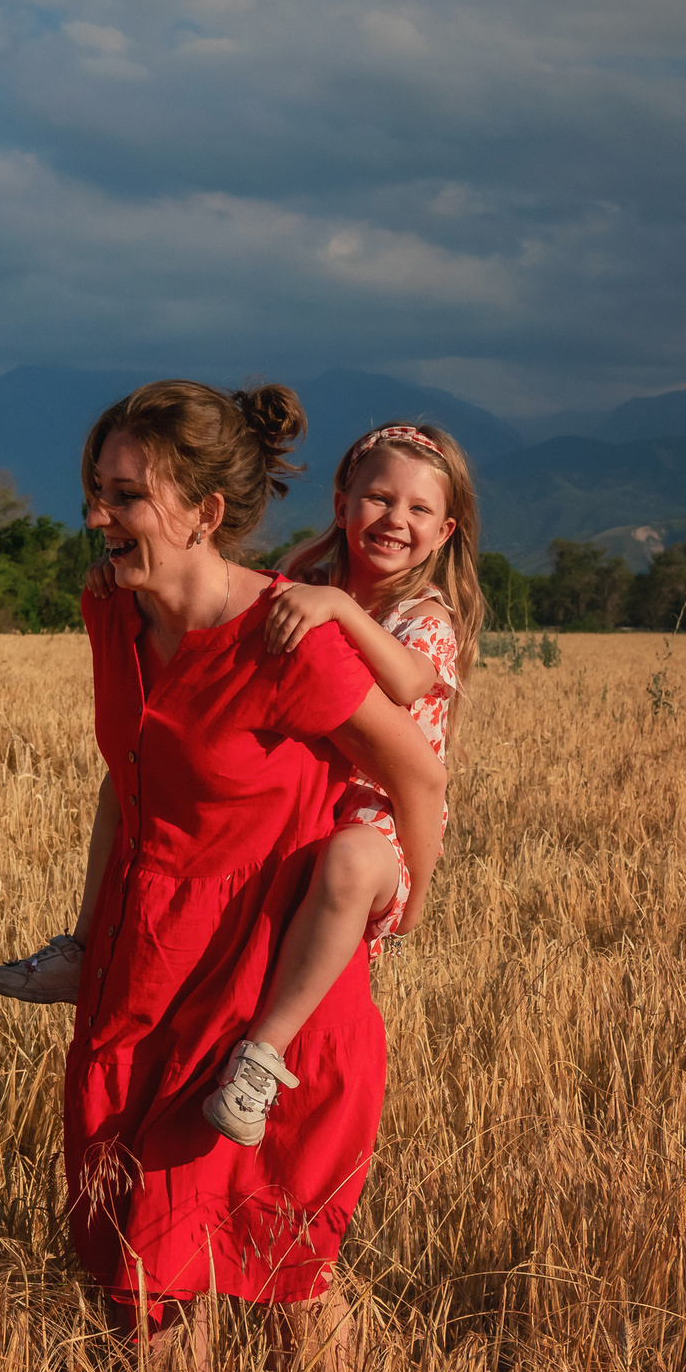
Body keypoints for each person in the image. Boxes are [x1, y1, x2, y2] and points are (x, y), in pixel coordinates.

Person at [0, 379, 447, 1369]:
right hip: (135, 975)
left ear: (205, 514)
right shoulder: (111, 614)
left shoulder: (287, 638)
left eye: (125, 496)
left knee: (281, 1287)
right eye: (96, 490)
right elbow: (129, 776)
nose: (97, 517)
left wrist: (399, 900)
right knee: (140, 1286)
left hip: (252, 992)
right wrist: (84, 937)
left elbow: (416, 770)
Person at [193, 421, 484, 1144]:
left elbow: (410, 679)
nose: (395, 519)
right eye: (379, 498)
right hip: (306, 798)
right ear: (341, 499)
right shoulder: (307, 581)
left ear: (445, 531)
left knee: (352, 858)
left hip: (380, 819)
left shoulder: (426, 617)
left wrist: (342, 611)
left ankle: (261, 1056)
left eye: (419, 510)